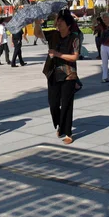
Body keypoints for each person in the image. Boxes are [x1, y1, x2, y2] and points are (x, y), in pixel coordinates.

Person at [47, 11, 81, 144]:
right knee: (53, 104)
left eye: (61, 22)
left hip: (68, 74)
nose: (58, 24)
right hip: (53, 74)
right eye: (57, 22)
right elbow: (39, 34)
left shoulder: (74, 38)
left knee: (66, 104)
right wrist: (37, 24)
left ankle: (68, 133)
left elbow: (75, 57)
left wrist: (57, 54)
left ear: (68, 25)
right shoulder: (53, 35)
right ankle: (60, 125)